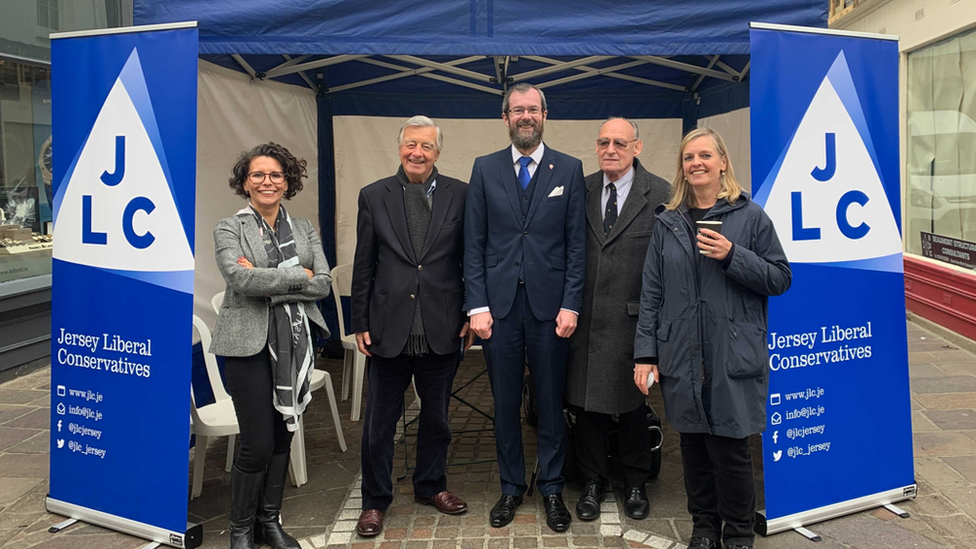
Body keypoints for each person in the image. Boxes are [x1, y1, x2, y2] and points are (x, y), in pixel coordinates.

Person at [634, 128, 791, 549]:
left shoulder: (750, 216)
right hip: (681, 353)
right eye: (689, 157)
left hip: (731, 351)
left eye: (705, 155)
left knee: (731, 449)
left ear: (723, 161)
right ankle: (703, 528)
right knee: (694, 448)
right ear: (682, 168)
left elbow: (780, 278)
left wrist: (732, 255)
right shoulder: (667, 221)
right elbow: (652, 293)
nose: (696, 163)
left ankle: (738, 533)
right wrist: (645, 354)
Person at [464, 83, 586, 532]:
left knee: (551, 403)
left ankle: (552, 488)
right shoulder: (485, 168)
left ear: (545, 114)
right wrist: (475, 304)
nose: (525, 116)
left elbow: (577, 246)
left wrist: (571, 303)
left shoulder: (568, 169)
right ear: (505, 118)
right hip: (497, 310)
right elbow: (473, 244)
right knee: (505, 402)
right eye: (517, 110)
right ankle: (512, 487)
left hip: (552, 309)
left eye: (532, 109)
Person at [350, 116, 473, 538]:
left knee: (437, 417)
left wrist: (470, 312)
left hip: (443, 323)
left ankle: (431, 486)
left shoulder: (461, 194)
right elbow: (365, 262)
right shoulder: (373, 195)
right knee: (379, 423)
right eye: (410, 145)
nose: (416, 153)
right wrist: (359, 320)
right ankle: (374, 501)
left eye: (425, 146)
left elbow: (469, 259)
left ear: (438, 152)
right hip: (388, 326)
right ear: (399, 148)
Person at [211, 142, 332, 549]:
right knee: (257, 441)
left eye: (275, 175)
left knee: (283, 435)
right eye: (258, 175)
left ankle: (269, 523)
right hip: (246, 345)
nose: (267, 181)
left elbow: (325, 282)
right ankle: (241, 529)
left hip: (295, 344)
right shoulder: (229, 228)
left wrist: (269, 279)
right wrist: (298, 275)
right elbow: (239, 280)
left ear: (287, 182)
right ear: (245, 183)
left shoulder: (304, 229)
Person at [566, 117, 671, 521]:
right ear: (596, 147)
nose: (611, 150)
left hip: (634, 321)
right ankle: (592, 480)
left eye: (620, 143)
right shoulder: (582, 189)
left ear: (637, 148)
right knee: (587, 404)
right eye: (604, 142)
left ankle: (635, 482)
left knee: (631, 406)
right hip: (585, 319)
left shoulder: (662, 194)